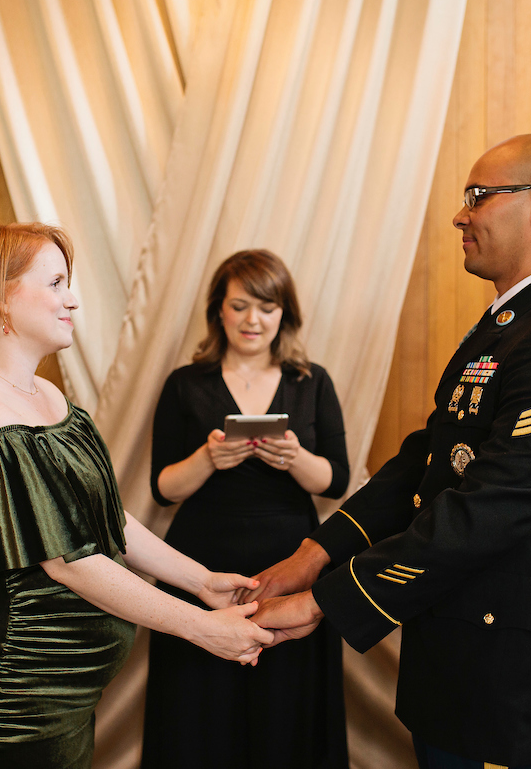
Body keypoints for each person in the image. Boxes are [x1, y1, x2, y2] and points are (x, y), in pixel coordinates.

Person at [248, 135, 531, 769]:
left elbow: (492, 509)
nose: (461, 215)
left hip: (509, 682)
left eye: (478, 197)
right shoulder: (512, 325)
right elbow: (429, 460)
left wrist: (329, 597)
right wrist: (317, 551)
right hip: (458, 664)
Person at [0, 223, 273, 769]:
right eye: (55, 283)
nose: (72, 299)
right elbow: (70, 563)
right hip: (10, 693)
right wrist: (201, 629)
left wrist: (203, 582)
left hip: (61, 688)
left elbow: (103, 520)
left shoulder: (47, 395)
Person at [141, 250, 351, 769]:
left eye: (266, 306)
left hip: (291, 560)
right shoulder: (185, 384)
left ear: (285, 314)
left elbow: (338, 481)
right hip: (202, 559)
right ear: (218, 311)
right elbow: (162, 488)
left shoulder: (312, 380)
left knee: (286, 697)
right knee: (199, 699)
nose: (252, 320)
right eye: (239, 307)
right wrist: (209, 458)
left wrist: (298, 459)